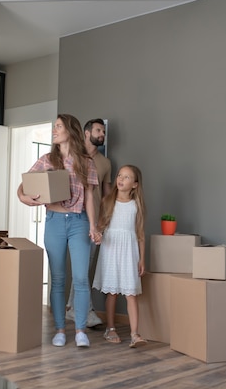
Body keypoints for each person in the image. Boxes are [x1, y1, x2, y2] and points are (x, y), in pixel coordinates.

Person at [17, 114, 100, 348]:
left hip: (79, 222)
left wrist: (93, 226)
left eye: (59, 127)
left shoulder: (86, 162)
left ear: (70, 131)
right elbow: (23, 187)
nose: (54, 130)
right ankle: (60, 330)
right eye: (54, 127)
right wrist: (25, 198)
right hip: (54, 221)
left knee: (81, 278)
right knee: (58, 279)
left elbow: (91, 197)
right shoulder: (46, 160)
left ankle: (81, 330)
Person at [92, 164, 147, 348]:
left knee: (131, 293)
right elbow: (100, 226)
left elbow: (140, 233)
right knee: (113, 292)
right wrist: (97, 234)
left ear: (135, 185)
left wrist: (142, 258)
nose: (121, 179)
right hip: (110, 249)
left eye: (127, 177)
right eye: (119, 176)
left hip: (129, 252)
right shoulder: (108, 201)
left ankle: (135, 334)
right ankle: (110, 328)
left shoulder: (136, 205)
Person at [66, 118, 112, 327]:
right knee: (80, 266)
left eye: (103, 131)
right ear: (86, 133)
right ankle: (80, 309)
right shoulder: (72, 155)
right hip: (72, 216)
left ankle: (73, 308)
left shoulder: (105, 163)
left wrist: (107, 218)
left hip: (94, 220)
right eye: (98, 130)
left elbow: (106, 194)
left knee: (84, 266)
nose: (102, 134)